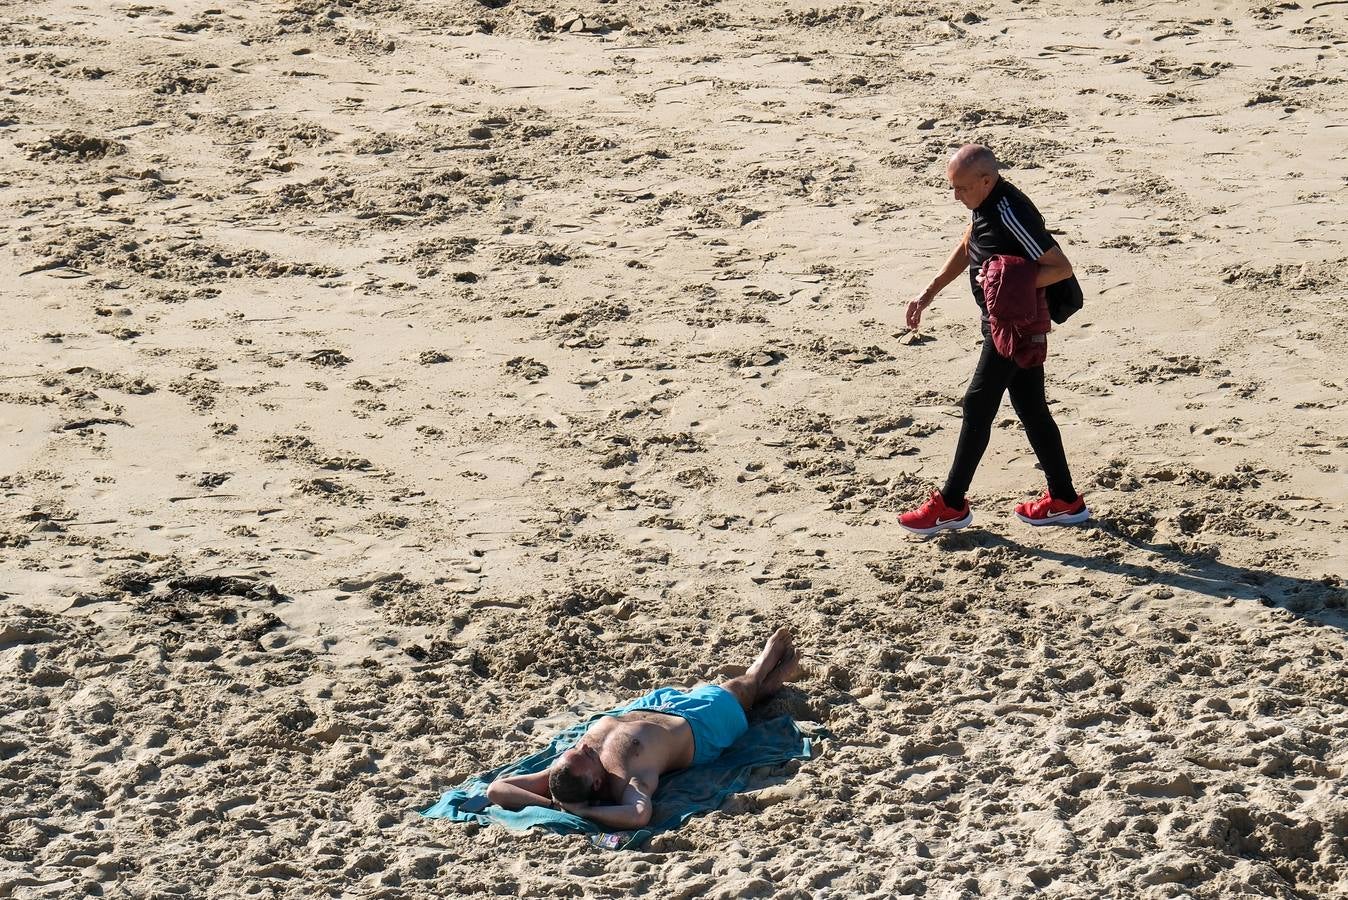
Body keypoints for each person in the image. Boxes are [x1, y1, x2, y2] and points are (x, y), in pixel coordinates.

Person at [898, 144, 1089, 536]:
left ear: (986, 181)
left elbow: (1060, 267)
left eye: (962, 188)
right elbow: (970, 242)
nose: (956, 196)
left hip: (1014, 325)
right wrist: (929, 292)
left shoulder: (1011, 212)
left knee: (978, 404)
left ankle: (951, 504)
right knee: (1031, 408)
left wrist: (1007, 286)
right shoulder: (984, 204)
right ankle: (1065, 500)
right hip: (1004, 321)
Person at [485, 628, 801, 829]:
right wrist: (581, 812)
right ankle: (762, 665)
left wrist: (552, 805)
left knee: (745, 694)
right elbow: (638, 814)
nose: (582, 746)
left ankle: (771, 682)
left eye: (574, 749)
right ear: (596, 783)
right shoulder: (626, 778)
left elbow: (496, 789)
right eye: (584, 755)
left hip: (653, 705)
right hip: (697, 726)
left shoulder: (560, 776)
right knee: (738, 688)